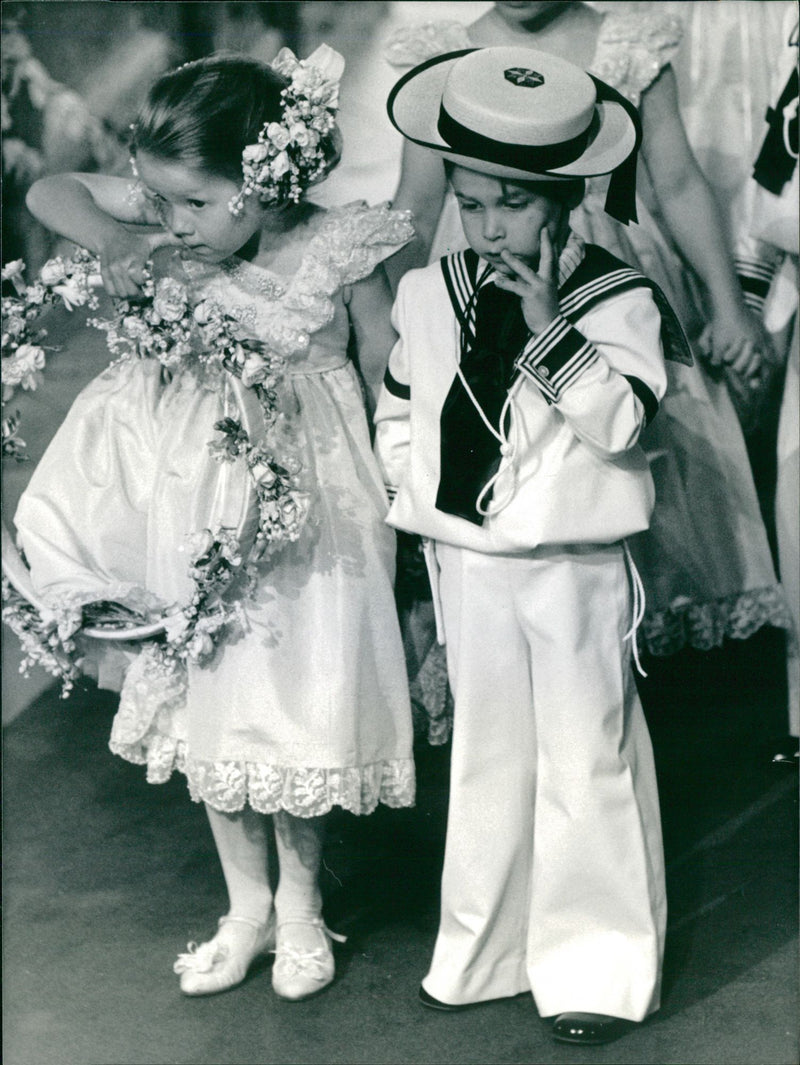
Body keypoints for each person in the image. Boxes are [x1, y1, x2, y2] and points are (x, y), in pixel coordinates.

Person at [18, 47, 415, 1001]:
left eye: (195, 204)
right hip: (191, 506)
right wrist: (119, 240)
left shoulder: (338, 249)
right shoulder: (165, 218)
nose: (172, 222)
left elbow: (393, 376)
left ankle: (303, 905)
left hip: (313, 514)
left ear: (266, 181)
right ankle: (246, 908)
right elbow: (52, 192)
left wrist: (413, 509)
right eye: (158, 200)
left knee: (300, 698)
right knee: (211, 702)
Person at [374, 44, 684, 1046]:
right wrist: (412, 500)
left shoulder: (614, 298)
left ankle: (594, 964)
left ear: (561, 201)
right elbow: (401, 409)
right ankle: (486, 949)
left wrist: (551, 330)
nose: (487, 222)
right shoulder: (430, 290)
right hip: (466, 559)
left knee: (583, 756)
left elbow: (624, 428)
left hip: (569, 564)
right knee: (487, 752)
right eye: (470, 201)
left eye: (510, 202)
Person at [384, 1, 790, 713]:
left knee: (623, 451)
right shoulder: (445, 52)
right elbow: (416, 207)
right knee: (515, 457)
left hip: (603, 273)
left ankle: (630, 655)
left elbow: (678, 181)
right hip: (486, 267)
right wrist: (397, 327)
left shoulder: (626, 41)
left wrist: (727, 306)